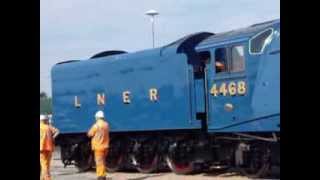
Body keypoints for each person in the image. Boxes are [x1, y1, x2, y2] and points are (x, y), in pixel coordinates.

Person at [87, 110, 110, 180]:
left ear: (97, 117)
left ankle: (100, 176)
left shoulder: (96, 126)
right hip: (105, 146)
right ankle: (103, 175)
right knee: (103, 162)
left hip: (98, 147)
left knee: (99, 163)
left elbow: (90, 134)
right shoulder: (106, 125)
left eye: (96, 117)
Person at [40, 114, 59, 180]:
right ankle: (43, 178)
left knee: (43, 164)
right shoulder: (48, 127)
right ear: (46, 120)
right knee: (47, 163)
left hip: (41, 148)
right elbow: (57, 131)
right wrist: (52, 138)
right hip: (49, 147)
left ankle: (47, 178)